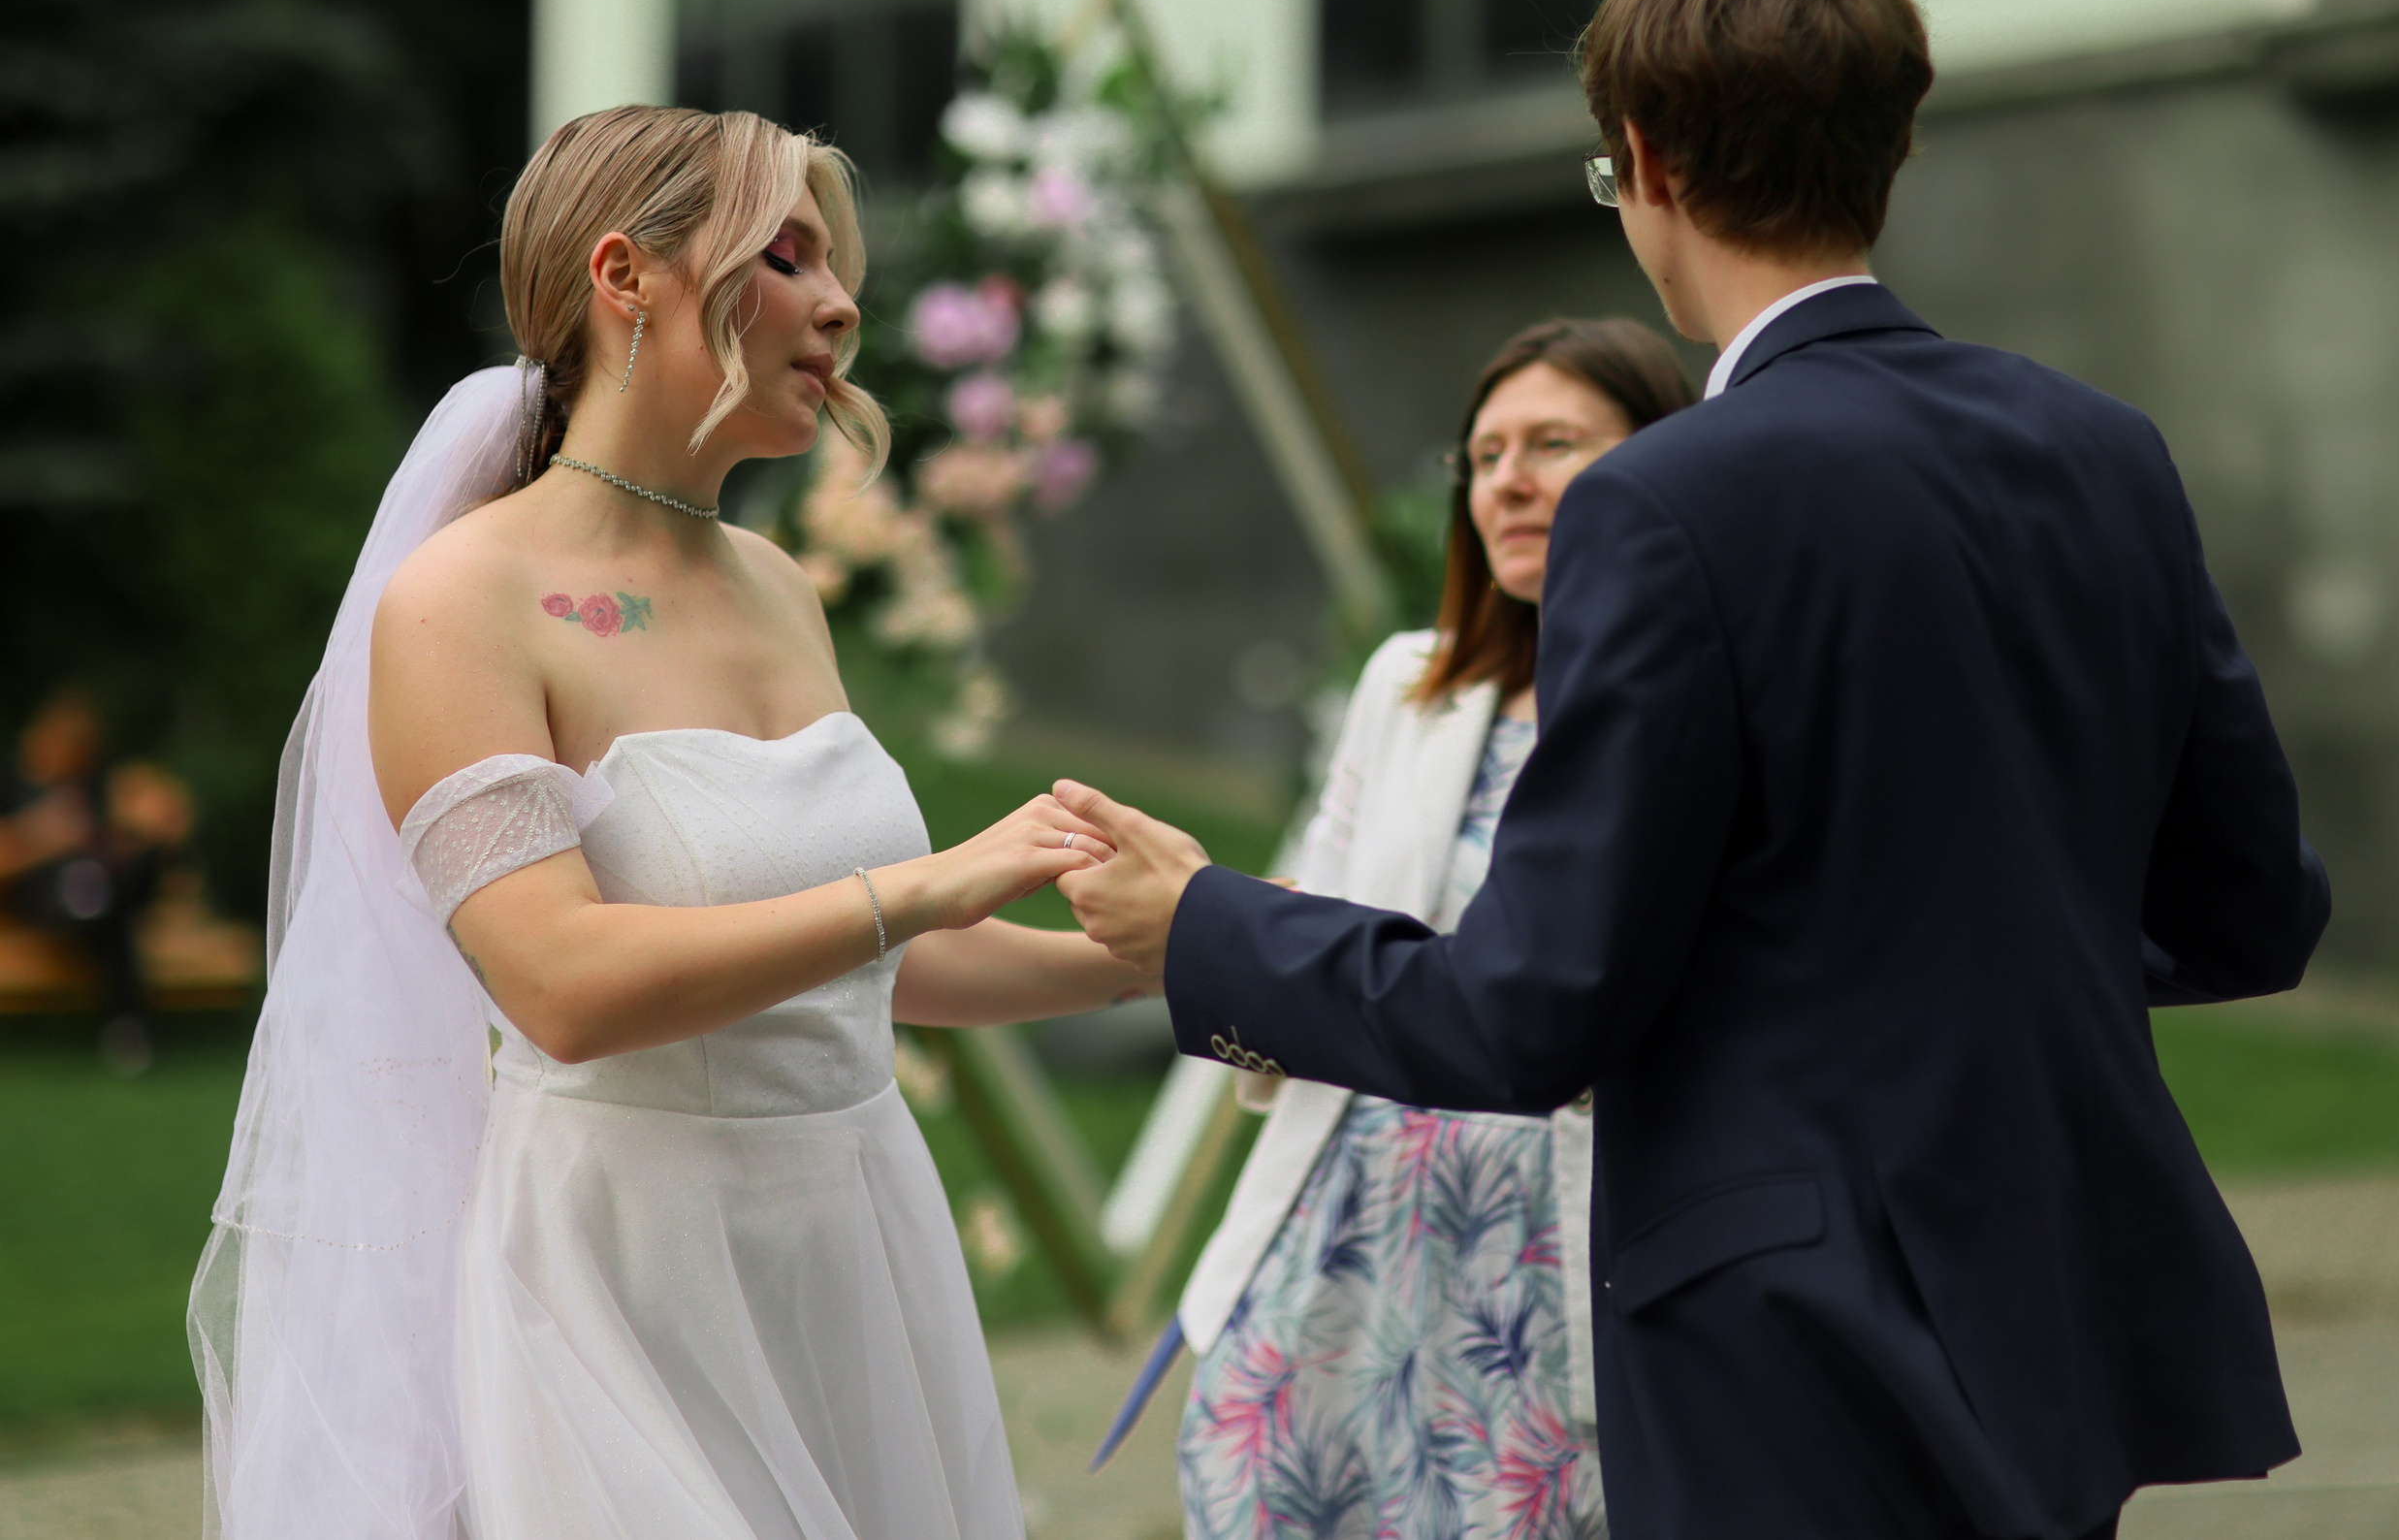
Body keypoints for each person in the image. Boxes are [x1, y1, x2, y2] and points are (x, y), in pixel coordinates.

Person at [1060, 0, 2330, 1540]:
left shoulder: (1663, 503)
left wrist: (1200, 930)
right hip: (2058, 1292)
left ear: (1646, 160)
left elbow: (1534, 1006)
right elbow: (2252, 906)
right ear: (1895, 141)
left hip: (1795, 1341)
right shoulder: (2100, 447)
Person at [191, 106, 1133, 1540]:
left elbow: (863, 964)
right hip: (628, 1263)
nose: (842, 302)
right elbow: (560, 984)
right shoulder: (466, 601)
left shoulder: (777, 583)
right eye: (791, 255)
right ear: (628, 277)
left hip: (857, 1239)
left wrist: (1161, 951)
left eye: (838, 267)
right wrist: (927, 885)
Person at [1175, 319, 1691, 1536]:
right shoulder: (1409, 685)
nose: (1506, 480)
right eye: (1485, 454)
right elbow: (1306, 915)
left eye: (1554, 444)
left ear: (1665, 462)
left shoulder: (1691, 695)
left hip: (1553, 1257)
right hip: (1346, 1237)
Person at [0, 686, 194, 1074]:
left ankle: (101, 895)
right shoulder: (14, 788)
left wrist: (148, 818)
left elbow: (171, 813)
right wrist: (45, 836)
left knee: (117, 887)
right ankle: (127, 1027)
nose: (68, 754)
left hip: (100, 893)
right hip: (43, 895)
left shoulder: (93, 787)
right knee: (107, 906)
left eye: (80, 746)